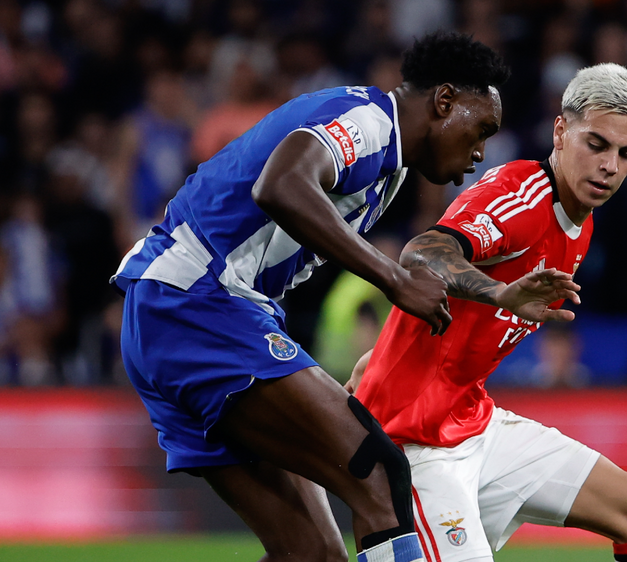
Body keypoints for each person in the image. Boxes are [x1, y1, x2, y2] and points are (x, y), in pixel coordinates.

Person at [110, 32, 510, 562]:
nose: (480, 153)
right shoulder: (369, 121)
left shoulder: (387, 169)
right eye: (480, 128)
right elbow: (281, 184)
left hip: (172, 314)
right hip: (195, 304)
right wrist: (392, 278)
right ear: (442, 102)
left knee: (312, 552)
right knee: (380, 472)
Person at [350, 64, 627, 562]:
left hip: (472, 422)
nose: (610, 165)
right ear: (561, 131)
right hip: (412, 444)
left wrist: (384, 355)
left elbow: (448, 325)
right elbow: (423, 252)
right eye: (597, 144)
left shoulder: (580, 222)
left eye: (626, 153)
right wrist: (499, 295)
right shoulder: (521, 196)